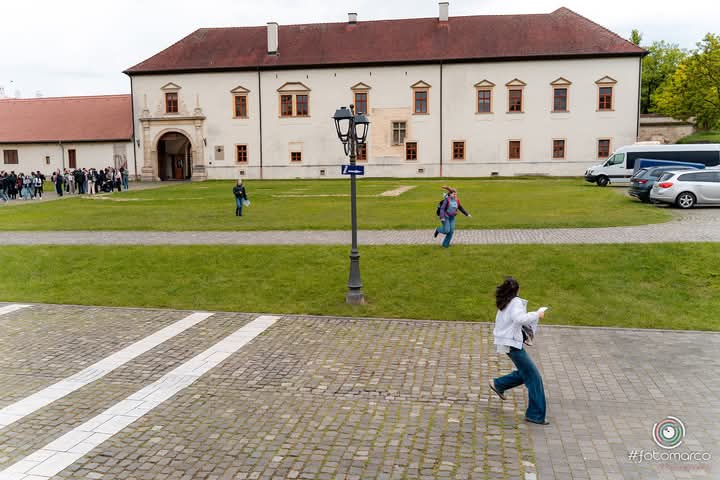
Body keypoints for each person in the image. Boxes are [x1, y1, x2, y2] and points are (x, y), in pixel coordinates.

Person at [489, 277, 549, 425]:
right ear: (516, 290)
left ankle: (499, 384)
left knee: (526, 373)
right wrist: (537, 314)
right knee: (534, 377)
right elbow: (520, 319)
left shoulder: (505, 302)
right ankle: (535, 414)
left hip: (508, 343)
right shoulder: (515, 302)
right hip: (512, 345)